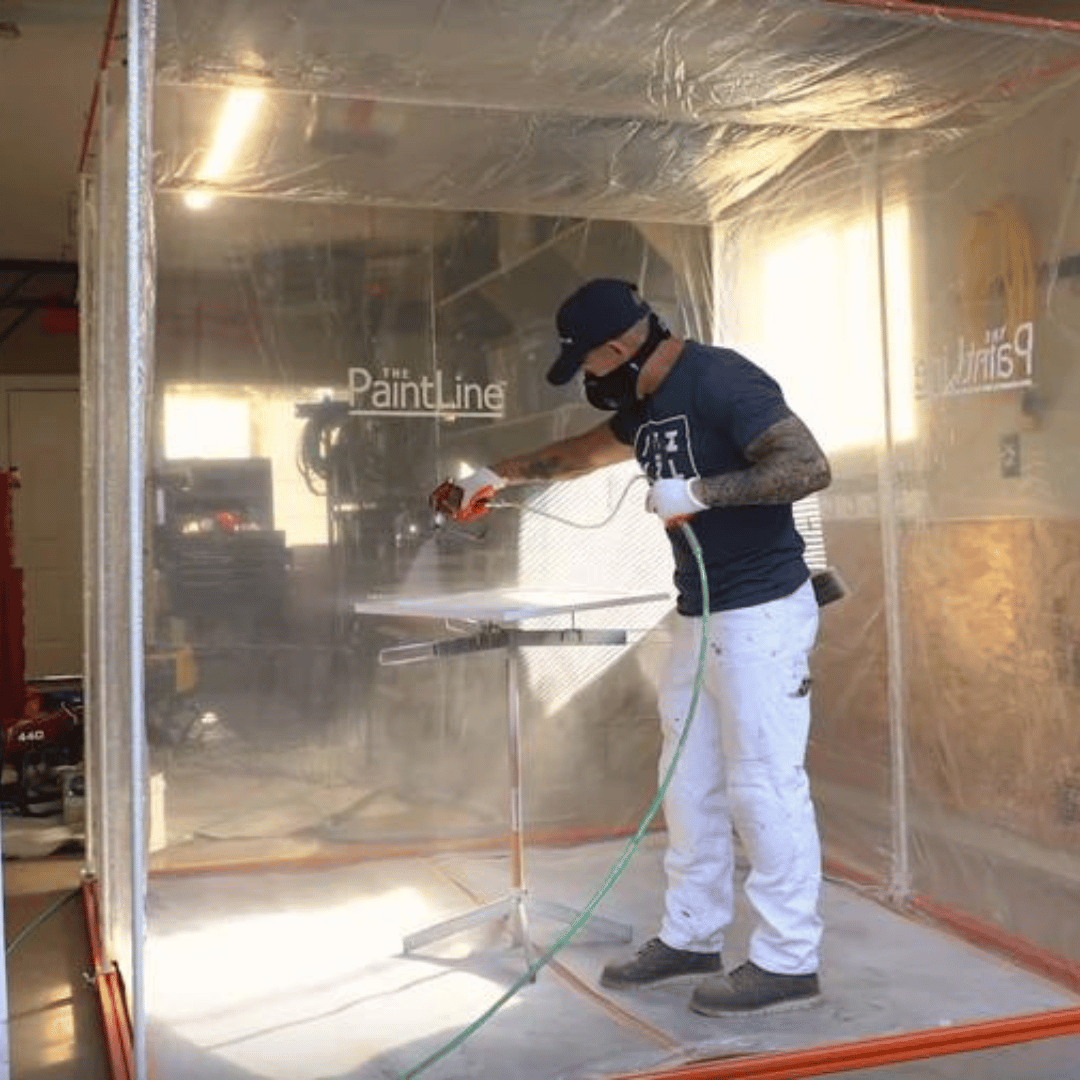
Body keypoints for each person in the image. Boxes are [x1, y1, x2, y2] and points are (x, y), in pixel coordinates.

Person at [429, 278, 831, 1016]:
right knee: (688, 781)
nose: (589, 381)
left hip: (762, 615)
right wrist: (497, 475)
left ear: (619, 348)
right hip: (700, 613)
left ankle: (787, 959)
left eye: (588, 366)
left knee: (765, 786)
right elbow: (581, 454)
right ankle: (692, 936)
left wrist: (702, 494)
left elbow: (807, 466)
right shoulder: (646, 405)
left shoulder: (722, 379)